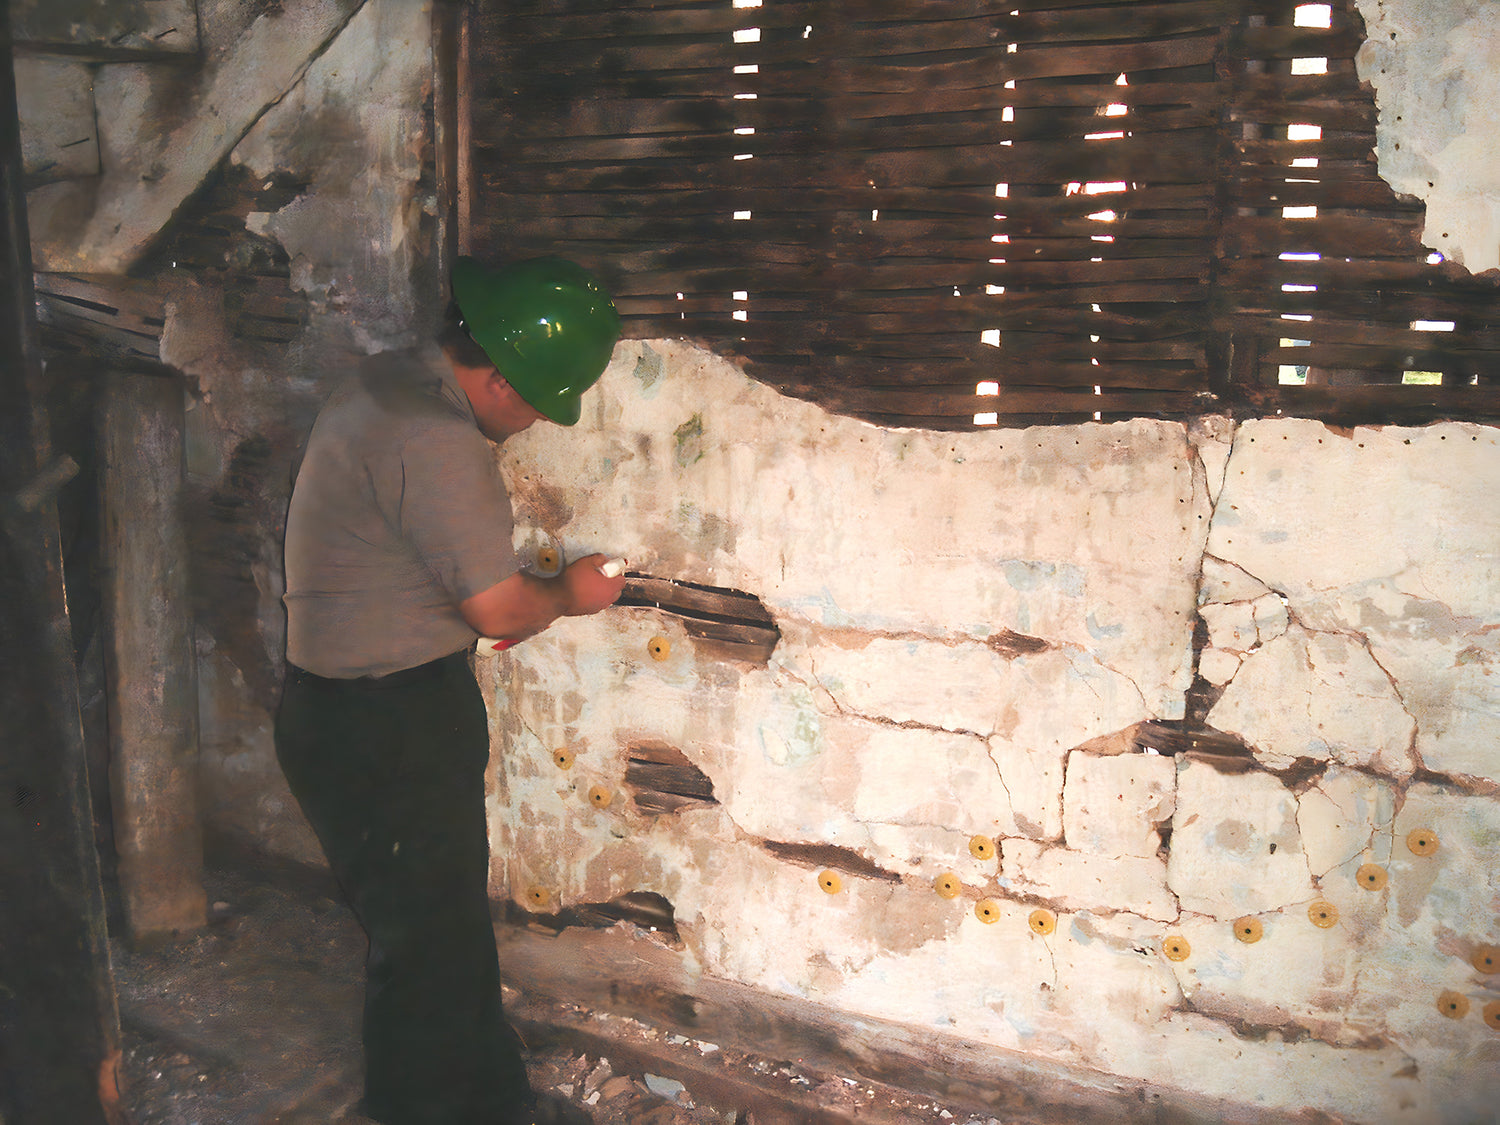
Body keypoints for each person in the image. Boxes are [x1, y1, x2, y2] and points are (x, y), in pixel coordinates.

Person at [274, 256, 625, 1125]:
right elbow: (498, 610)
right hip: (388, 719)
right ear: (499, 376)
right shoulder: (438, 438)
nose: (541, 416)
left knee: (437, 931)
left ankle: (487, 1095)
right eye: (540, 397)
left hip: (343, 709)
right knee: (427, 945)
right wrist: (573, 594)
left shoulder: (384, 382)